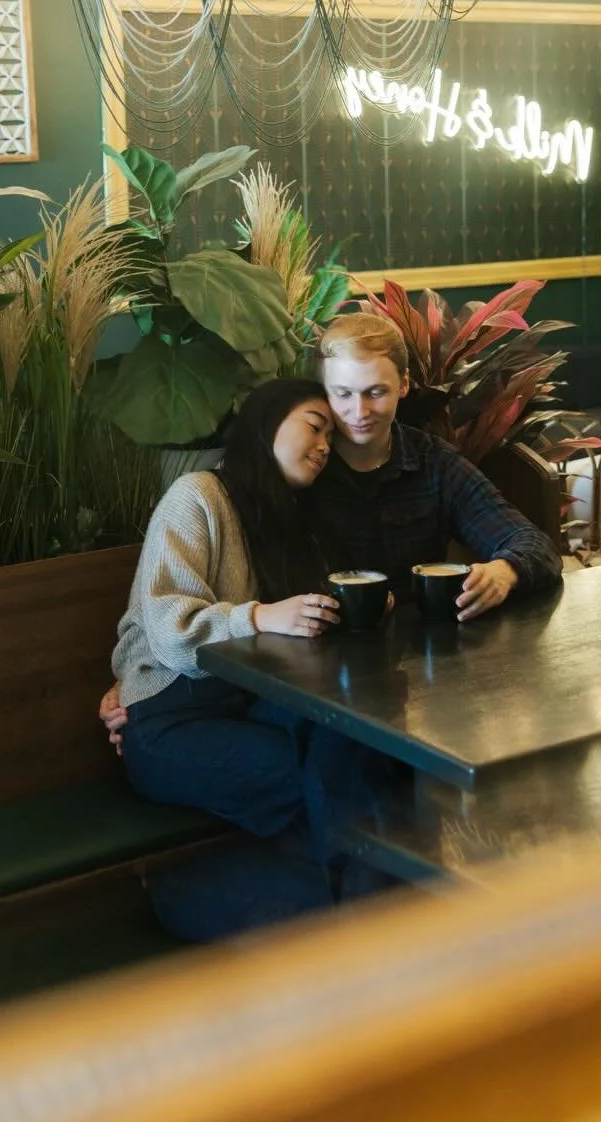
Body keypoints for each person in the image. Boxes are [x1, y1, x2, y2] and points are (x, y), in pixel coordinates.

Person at [107, 377, 391, 940]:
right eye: (315, 424)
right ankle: (369, 924)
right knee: (321, 777)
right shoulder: (197, 496)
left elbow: (305, 630)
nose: (323, 444)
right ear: (267, 424)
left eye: (330, 436)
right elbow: (167, 628)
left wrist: (363, 609)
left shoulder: (293, 520)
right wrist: (260, 616)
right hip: (173, 720)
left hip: (253, 703)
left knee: (351, 745)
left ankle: (344, 914)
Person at [309, 311, 561, 612]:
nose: (360, 411)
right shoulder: (304, 465)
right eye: (343, 394)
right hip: (319, 643)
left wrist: (505, 571)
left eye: (376, 392)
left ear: (403, 384)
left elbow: (533, 543)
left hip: (421, 645)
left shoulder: (435, 463)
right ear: (324, 391)